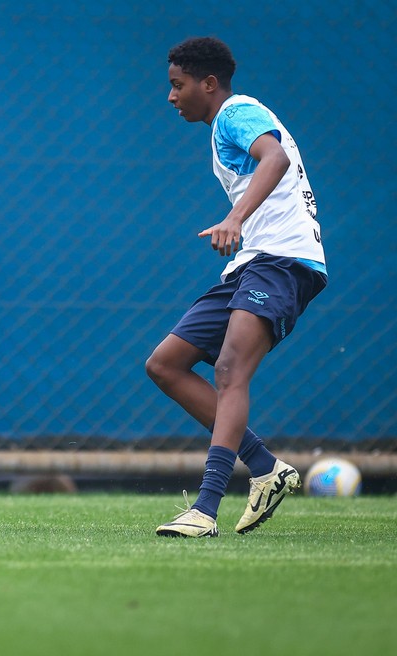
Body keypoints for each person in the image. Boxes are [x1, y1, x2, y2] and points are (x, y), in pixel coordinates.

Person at [147, 37, 326, 538]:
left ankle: (205, 510)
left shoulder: (236, 111)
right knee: (165, 364)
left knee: (229, 370)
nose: (170, 96)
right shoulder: (222, 126)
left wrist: (234, 216)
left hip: (283, 261)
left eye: (177, 85)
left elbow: (276, 159)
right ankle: (266, 467)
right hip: (253, 264)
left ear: (209, 84)